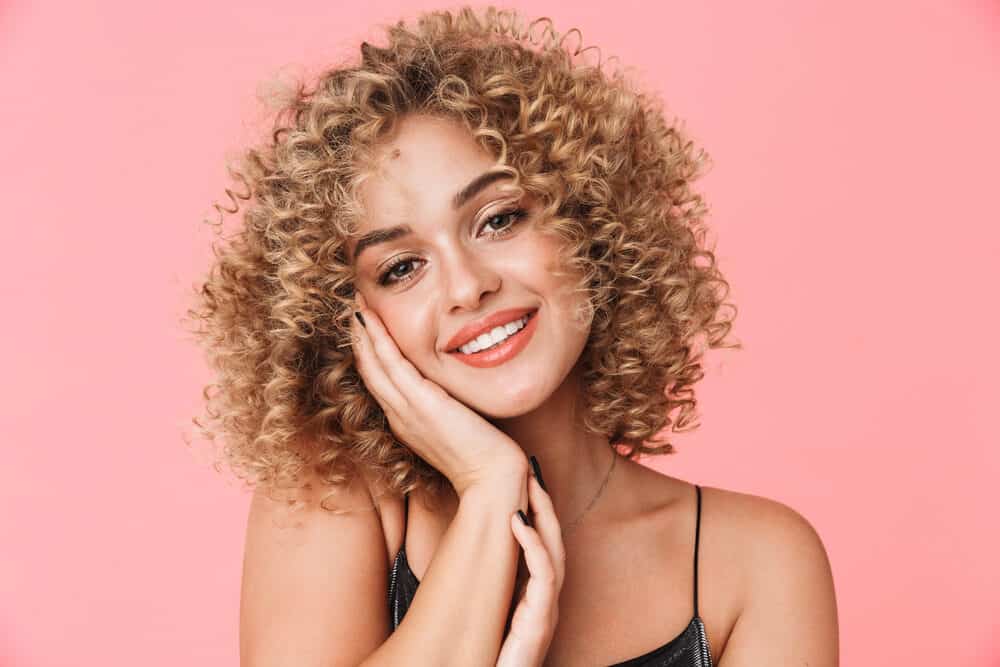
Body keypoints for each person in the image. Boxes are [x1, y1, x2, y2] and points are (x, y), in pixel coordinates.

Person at [186, 5, 839, 665]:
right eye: (402, 267)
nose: (467, 286)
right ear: (346, 320)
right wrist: (490, 484)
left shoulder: (757, 566)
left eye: (498, 219)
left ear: (587, 218)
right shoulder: (331, 497)